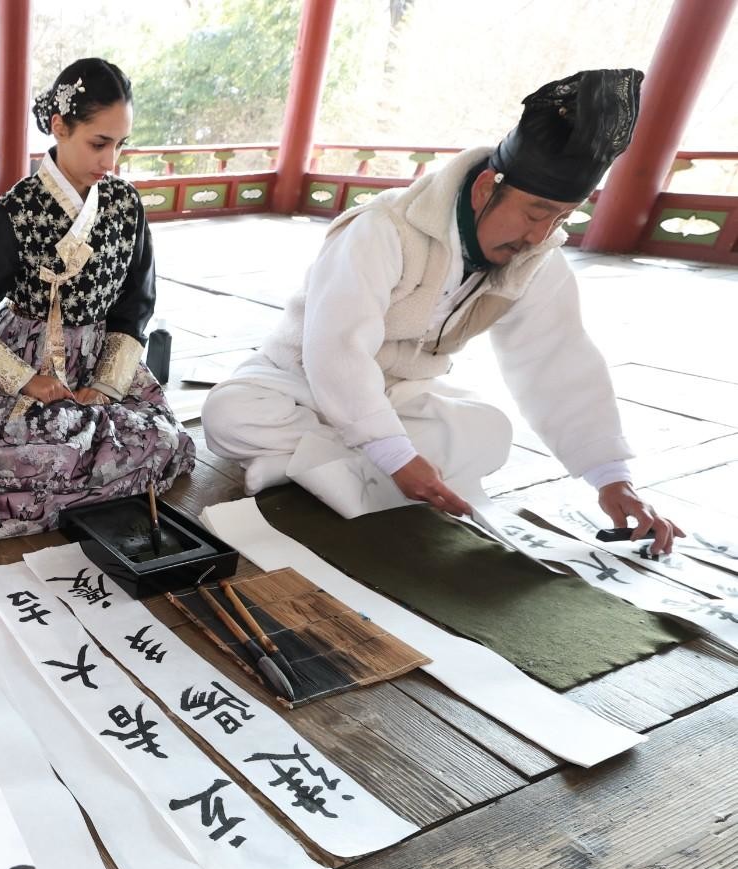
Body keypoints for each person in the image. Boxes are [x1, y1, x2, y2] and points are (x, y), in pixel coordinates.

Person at [202, 69, 682, 554]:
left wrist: (610, 477)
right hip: (299, 379)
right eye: (536, 213)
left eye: (562, 217)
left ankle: (302, 467)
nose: (540, 235)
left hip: (399, 396)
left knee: (490, 431)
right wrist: (395, 454)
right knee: (228, 414)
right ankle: (353, 464)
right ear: (485, 189)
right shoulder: (383, 228)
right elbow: (336, 350)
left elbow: (557, 360)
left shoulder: (536, 259)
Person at [0, 58, 194, 538]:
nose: (110, 162)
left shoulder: (125, 205)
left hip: (101, 362)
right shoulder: (15, 213)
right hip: (26, 367)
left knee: (161, 437)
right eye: (99, 143)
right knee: (45, 452)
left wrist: (107, 385)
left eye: (120, 145)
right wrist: (26, 380)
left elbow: (135, 305)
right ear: (59, 127)